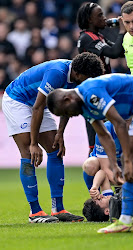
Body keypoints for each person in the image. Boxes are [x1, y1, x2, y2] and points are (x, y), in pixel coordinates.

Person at [46, 73, 133, 234]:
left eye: (66, 112)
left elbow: (118, 122)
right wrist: (113, 165)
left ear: (67, 100)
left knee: (130, 159)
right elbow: (104, 136)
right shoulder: (84, 106)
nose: (70, 116)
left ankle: (125, 220)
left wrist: (126, 160)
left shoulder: (91, 93)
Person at [1, 52, 103, 223]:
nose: (88, 82)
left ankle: (58, 209)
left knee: (55, 150)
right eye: (87, 78)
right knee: (28, 152)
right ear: (78, 74)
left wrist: (60, 133)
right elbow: (38, 107)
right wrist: (34, 143)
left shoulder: (78, 77)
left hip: (38, 104)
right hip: (18, 100)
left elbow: (67, 106)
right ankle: (35, 212)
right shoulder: (58, 73)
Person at [77, 2, 127, 154]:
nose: (104, 18)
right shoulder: (87, 38)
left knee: (108, 141)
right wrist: (122, 30)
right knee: (96, 146)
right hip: (94, 94)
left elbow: (120, 52)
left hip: (103, 91)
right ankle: (92, 175)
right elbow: (113, 52)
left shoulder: (99, 37)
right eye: (100, 15)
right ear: (90, 20)